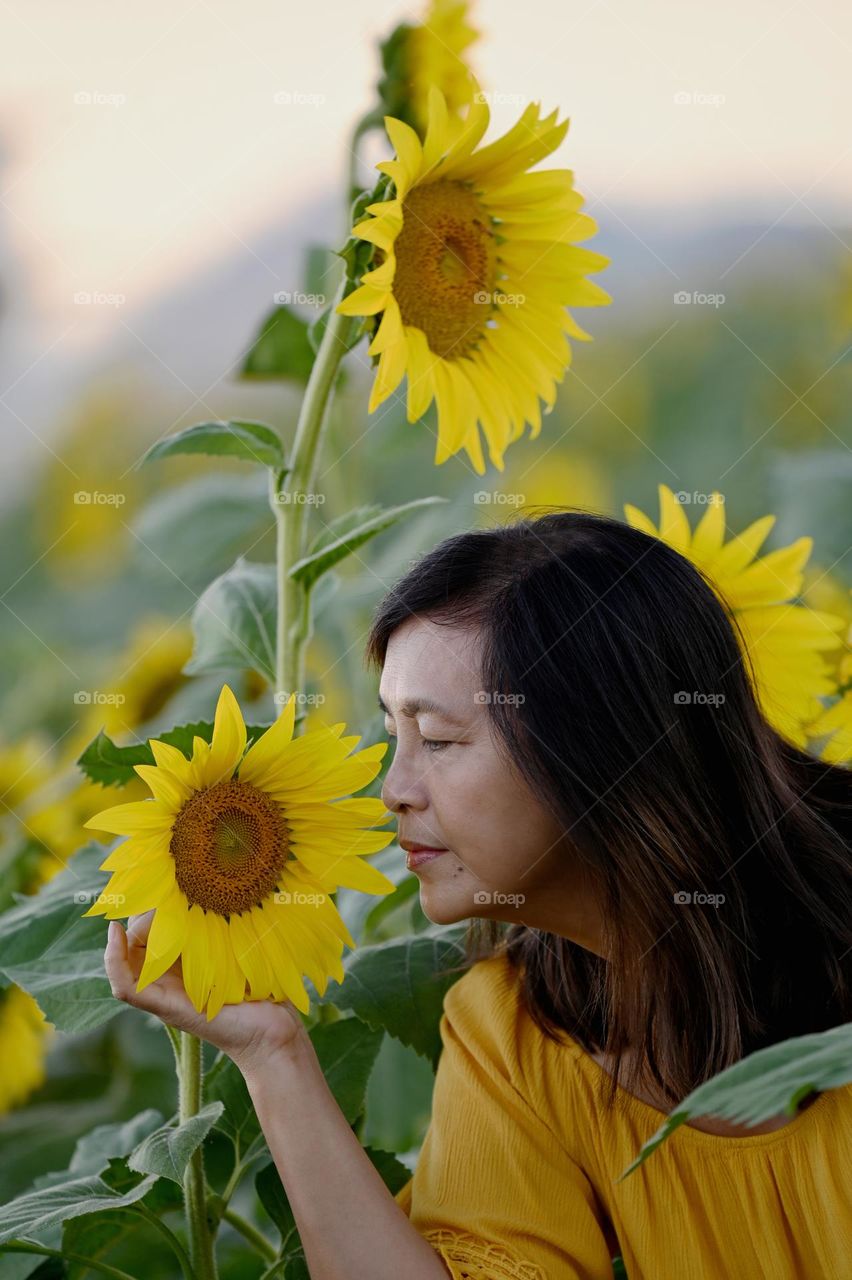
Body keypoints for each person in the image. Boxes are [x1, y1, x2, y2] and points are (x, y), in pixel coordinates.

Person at [104, 509, 852, 1279]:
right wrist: (273, 1055)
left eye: (439, 740)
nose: (394, 790)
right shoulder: (520, 1037)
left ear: (602, 745)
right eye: (394, 734)